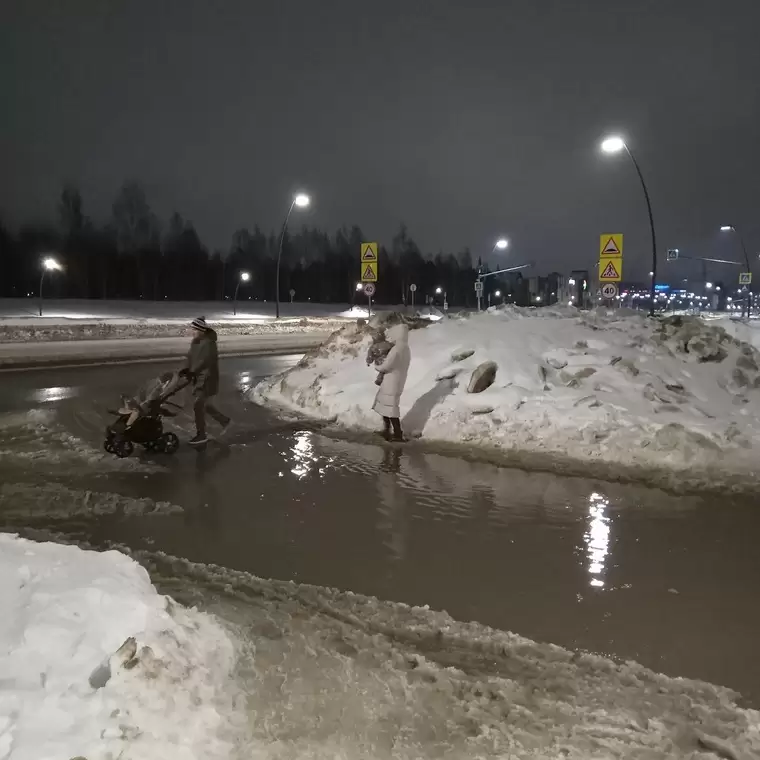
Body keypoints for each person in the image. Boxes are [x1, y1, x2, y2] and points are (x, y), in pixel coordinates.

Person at [181, 316, 230, 445]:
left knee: (198, 405)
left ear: (202, 330)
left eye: (195, 330)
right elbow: (190, 357)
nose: (192, 332)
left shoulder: (209, 344)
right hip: (198, 377)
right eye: (192, 329)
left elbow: (205, 362)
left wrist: (193, 371)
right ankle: (224, 421)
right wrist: (185, 369)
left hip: (207, 379)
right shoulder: (195, 342)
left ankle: (201, 434)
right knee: (206, 406)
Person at [370, 322, 411, 442]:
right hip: (396, 380)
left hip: (391, 381)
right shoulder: (405, 348)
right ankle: (387, 430)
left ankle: (397, 434)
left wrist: (377, 367)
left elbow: (387, 365)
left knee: (390, 407)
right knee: (386, 406)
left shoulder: (397, 349)